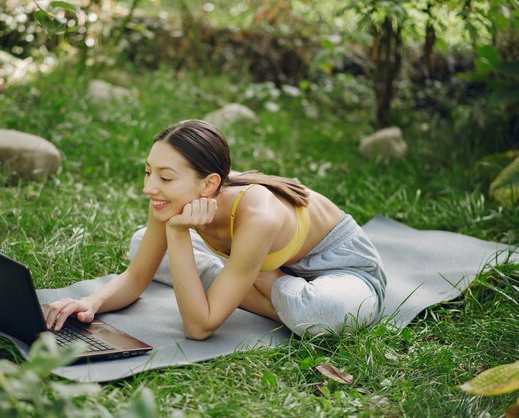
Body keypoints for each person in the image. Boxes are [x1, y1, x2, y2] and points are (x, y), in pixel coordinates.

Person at [43, 119, 387, 340]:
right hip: (252, 262)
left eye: (165, 178)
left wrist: (177, 234)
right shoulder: (168, 201)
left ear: (209, 184)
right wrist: (90, 302)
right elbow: (136, 277)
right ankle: (249, 284)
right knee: (140, 243)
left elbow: (199, 327)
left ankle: (255, 283)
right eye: (148, 172)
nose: (149, 188)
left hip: (340, 267)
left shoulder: (258, 215)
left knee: (319, 316)